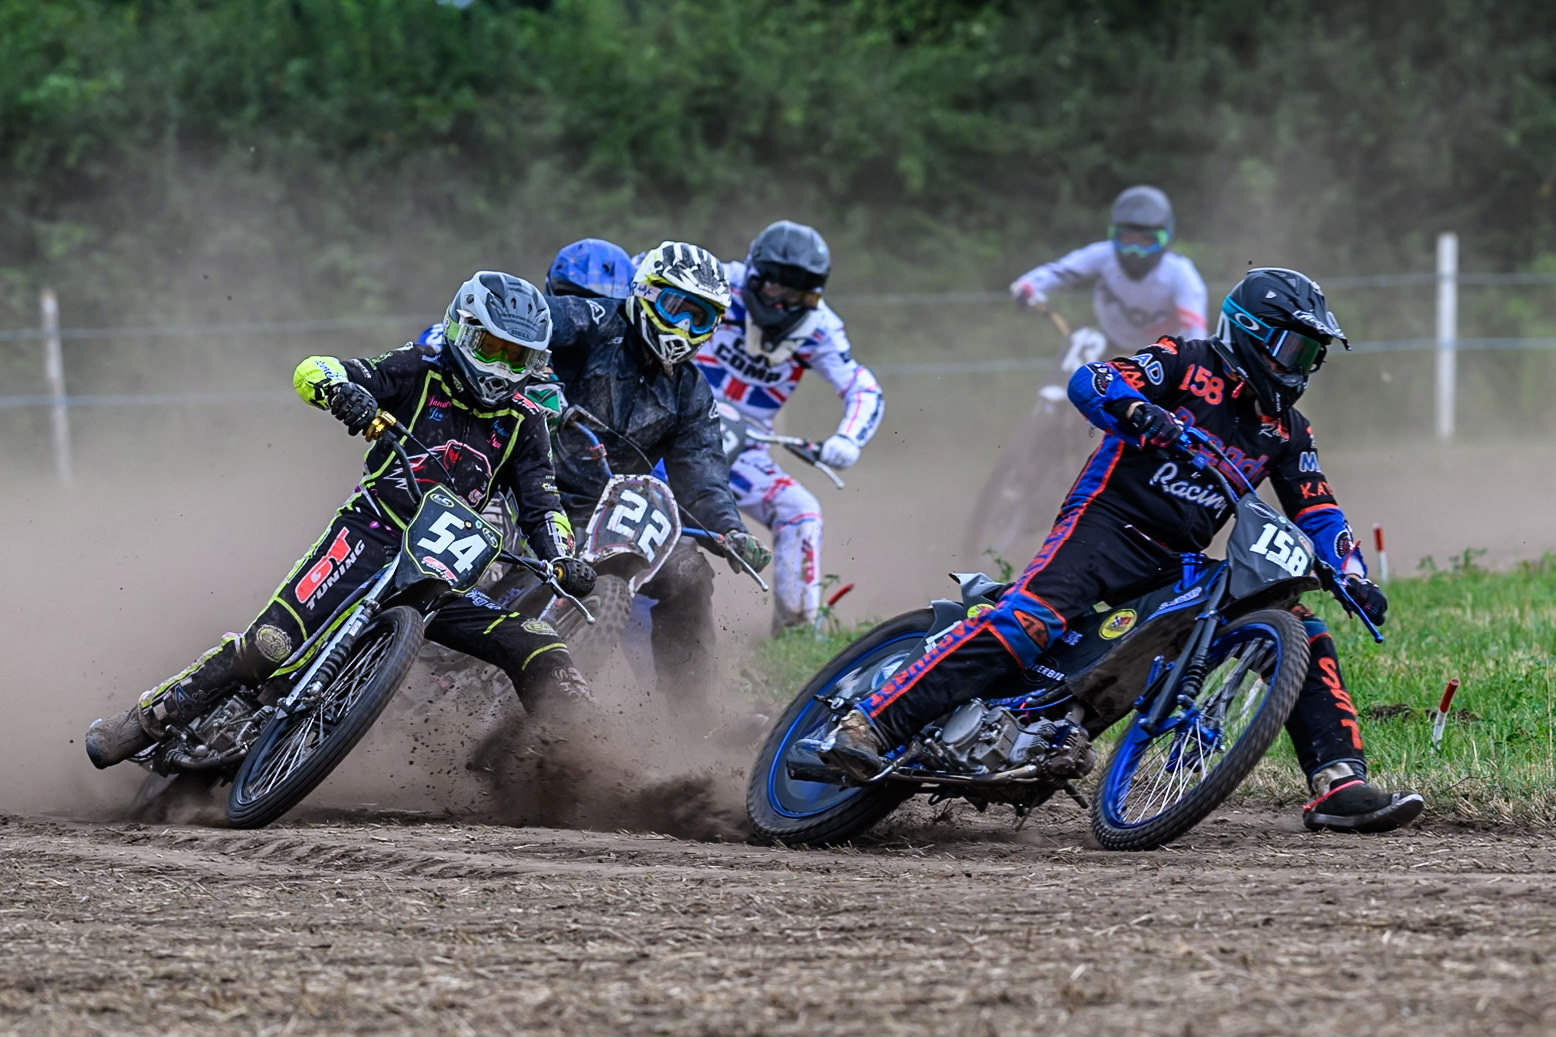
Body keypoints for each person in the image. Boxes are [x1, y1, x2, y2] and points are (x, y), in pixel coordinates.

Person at [817, 267, 1424, 834]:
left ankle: (1339, 784)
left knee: (1299, 625)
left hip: (1178, 559)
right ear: (1251, 334)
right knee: (1030, 620)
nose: (1303, 367)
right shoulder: (1186, 361)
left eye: (1313, 355)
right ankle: (871, 722)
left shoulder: (1288, 430)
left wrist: (1352, 574)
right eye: (1296, 350)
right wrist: (1136, 408)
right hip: (1105, 526)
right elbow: (1093, 379)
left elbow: (1317, 506)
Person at [84, 272, 599, 768]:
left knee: (538, 641)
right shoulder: (420, 368)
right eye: (492, 348)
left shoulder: (526, 421)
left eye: (517, 357)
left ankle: (580, 759)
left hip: (443, 575)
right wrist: (342, 392)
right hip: (371, 534)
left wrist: (562, 558)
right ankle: (147, 719)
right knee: (271, 645)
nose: (502, 367)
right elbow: (313, 369)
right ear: (462, 331)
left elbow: (543, 504)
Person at [544, 240, 772, 709]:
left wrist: (730, 530)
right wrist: (537, 382)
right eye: (676, 308)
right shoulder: (594, 320)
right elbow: (525, 321)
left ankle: (693, 717)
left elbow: (701, 473)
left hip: (606, 509)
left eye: (699, 318)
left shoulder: (691, 392)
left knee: (689, 571)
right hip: (528, 479)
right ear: (646, 293)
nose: (683, 327)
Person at [695, 220, 883, 632]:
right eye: (776, 288)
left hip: (743, 447)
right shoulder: (714, 280)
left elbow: (863, 388)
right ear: (755, 274)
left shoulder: (822, 328)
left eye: (798, 294)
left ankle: (795, 631)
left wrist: (848, 439)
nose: (783, 304)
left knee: (800, 511)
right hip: (669, 424)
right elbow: (640, 277)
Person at [1010, 185, 1208, 351]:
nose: (1134, 251)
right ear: (1114, 236)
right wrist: (1029, 285)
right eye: (1127, 239)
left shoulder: (1180, 272)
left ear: (1164, 239)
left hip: (1161, 355)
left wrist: (1189, 369)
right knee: (1082, 343)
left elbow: (1194, 332)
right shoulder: (1104, 254)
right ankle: (1055, 389)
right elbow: (1060, 271)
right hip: (1109, 345)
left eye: (1145, 241)